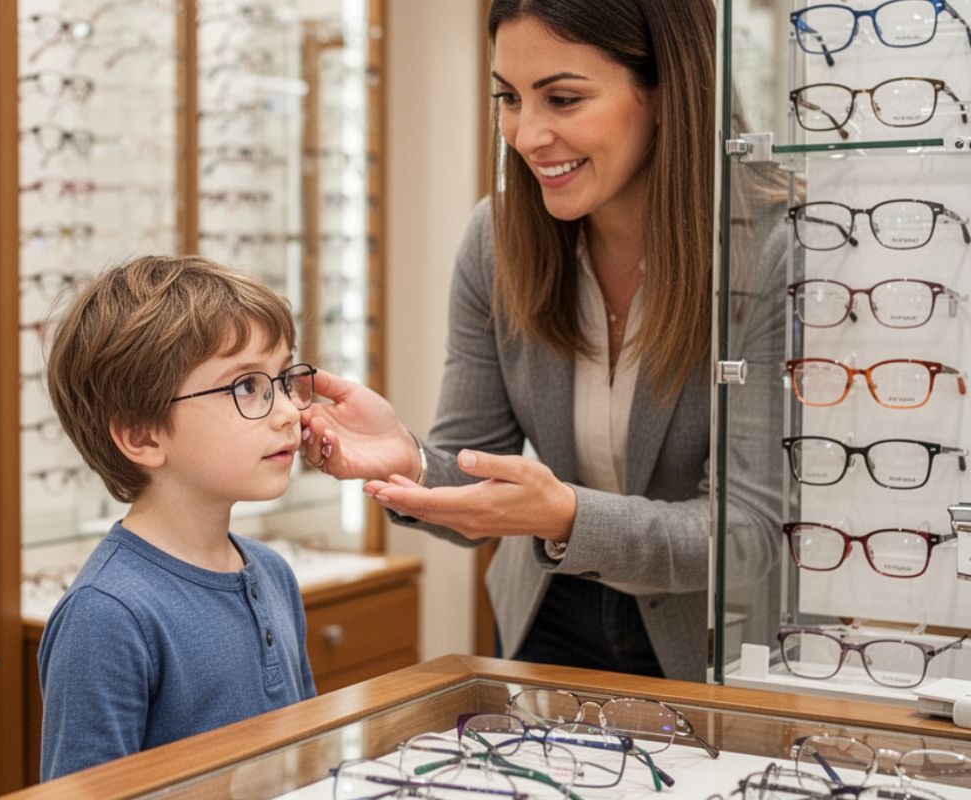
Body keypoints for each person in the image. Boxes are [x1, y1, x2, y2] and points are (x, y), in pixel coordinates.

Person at [300, 0, 785, 681]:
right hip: (547, 616)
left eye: (563, 99)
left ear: (666, 92)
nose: (526, 136)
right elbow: (477, 474)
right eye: (509, 98)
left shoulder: (774, 251)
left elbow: (749, 532)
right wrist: (410, 462)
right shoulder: (496, 241)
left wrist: (567, 517)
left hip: (713, 640)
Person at [38, 255, 317, 781]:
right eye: (246, 387)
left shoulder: (273, 573)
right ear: (142, 435)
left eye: (283, 380)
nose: (288, 412)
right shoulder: (105, 615)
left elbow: (305, 762)